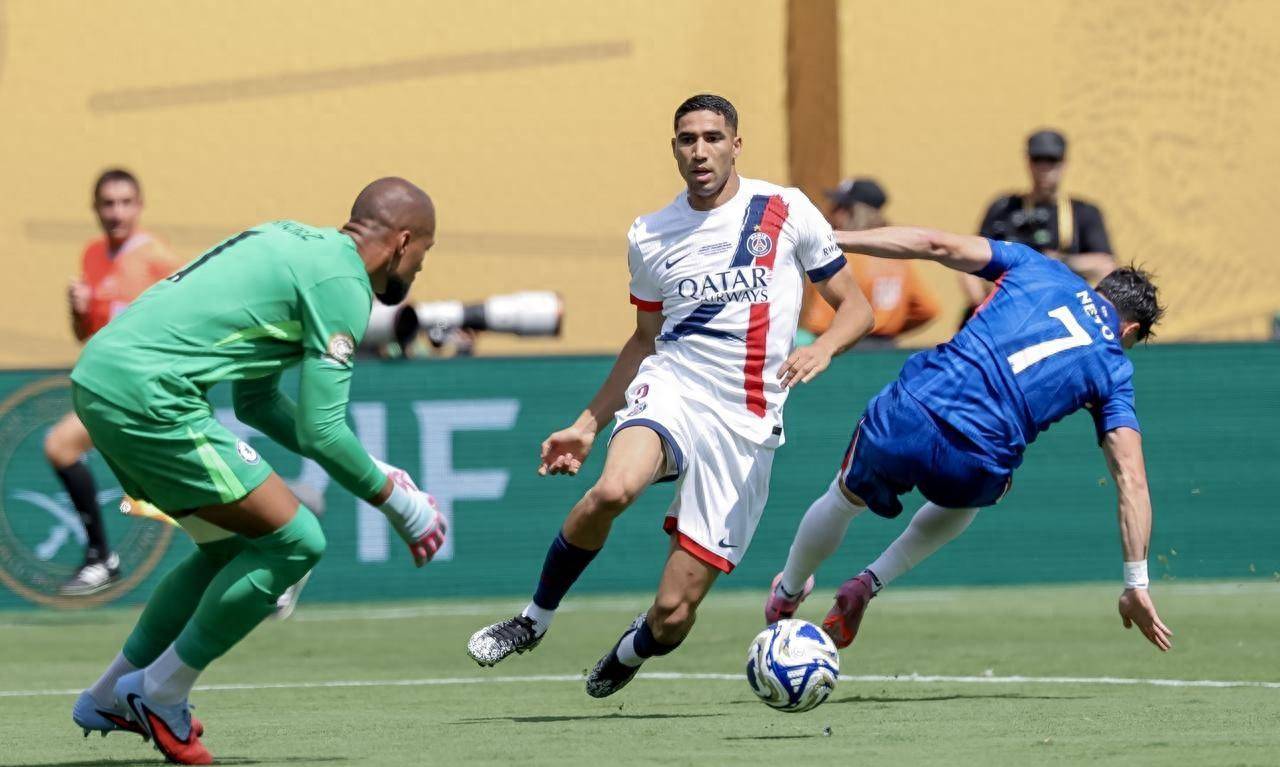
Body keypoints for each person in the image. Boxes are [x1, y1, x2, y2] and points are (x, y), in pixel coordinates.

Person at [466, 94, 873, 697]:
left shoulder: (786, 209)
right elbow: (644, 339)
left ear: (736, 145)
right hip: (674, 386)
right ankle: (533, 619)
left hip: (746, 426)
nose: (700, 151)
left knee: (674, 614)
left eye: (713, 137)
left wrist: (825, 347)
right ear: (675, 149)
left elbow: (857, 308)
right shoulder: (651, 234)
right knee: (613, 489)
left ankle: (632, 647)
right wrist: (587, 424)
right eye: (688, 140)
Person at [68, 178, 448, 765]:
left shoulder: (288, 240)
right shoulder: (343, 283)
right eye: (425, 250)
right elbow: (323, 431)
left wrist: (378, 469)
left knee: (227, 551)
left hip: (100, 379)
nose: (422, 265)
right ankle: (160, 692)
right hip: (152, 396)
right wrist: (403, 507)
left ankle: (107, 695)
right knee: (298, 541)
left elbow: (256, 402)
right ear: (402, 242)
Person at [765, 226, 1173, 655]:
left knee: (844, 498)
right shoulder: (1115, 368)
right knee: (978, 495)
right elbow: (1131, 480)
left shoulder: (1038, 266)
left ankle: (787, 592)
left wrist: (835, 238)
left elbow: (934, 244)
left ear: (1099, 288)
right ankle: (870, 581)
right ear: (1129, 330)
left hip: (917, 407)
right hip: (977, 457)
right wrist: (1136, 583)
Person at [53, 169, 183, 596]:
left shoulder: (158, 259)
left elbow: (189, 323)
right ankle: (100, 558)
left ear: (140, 206)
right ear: (95, 208)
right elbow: (87, 334)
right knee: (60, 447)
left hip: (149, 394)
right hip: (113, 391)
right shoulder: (93, 255)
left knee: (186, 494)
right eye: (108, 203)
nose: (116, 212)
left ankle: (273, 545)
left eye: (125, 202)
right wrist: (78, 310)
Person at [960, 129, 1116, 319]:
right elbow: (968, 263)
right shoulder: (1005, 208)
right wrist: (983, 308)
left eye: (1052, 160)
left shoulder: (1083, 212)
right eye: (1038, 160)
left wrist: (1055, 261)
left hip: (1060, 313)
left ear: (1064, 164)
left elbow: (1105, 265)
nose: (1045, 168)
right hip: (1004, 309)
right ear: (1028, 162)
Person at [800, 178, 939, 347]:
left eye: (839, 206)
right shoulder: (897, 259)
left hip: (847, 351)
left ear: (850, 212)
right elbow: (928, 309)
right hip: (887, 348)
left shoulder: (841, 258)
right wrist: (888, 329)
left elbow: (820, 324)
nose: (831, 212)